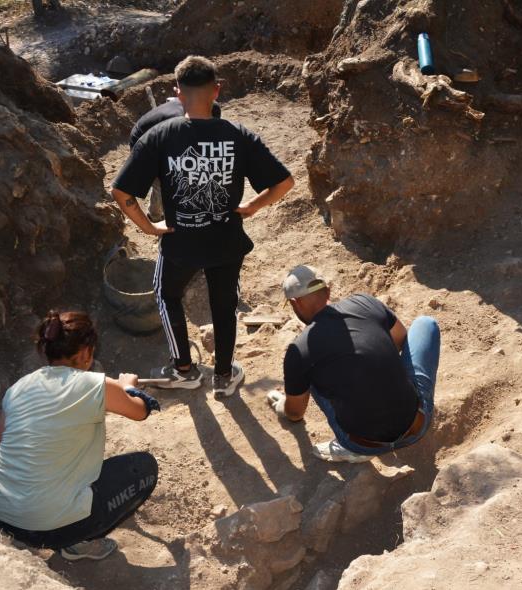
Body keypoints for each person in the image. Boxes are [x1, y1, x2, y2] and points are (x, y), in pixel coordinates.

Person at [112, 55, 294, 397]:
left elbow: (121, 191)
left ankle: (184, 370)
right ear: (217, 91)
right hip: (227, 240)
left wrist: (149, 229)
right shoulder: (238, 135)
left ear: (177, 93)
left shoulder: (160, 135)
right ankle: (224, 376)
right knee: (224, 305)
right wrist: (251, 207)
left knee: (167, 296)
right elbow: (284, 182)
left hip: (180, 243)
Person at [0, 311, 162, 561]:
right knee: (144, 468)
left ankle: (53, 529)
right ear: (86, 352)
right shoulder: (94, 384)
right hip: (45, 528)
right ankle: (77, 543)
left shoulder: (19, 387)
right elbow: (140, 411)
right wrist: (128, 386)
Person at [267, 266, 440, 463]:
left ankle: (353, 449)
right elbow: (400, 340)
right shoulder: (365, 302)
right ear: (328, 291)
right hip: (417, 425)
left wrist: (285, 407)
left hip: (362, 443)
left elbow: (296, 414)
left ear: (295, 303)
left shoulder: (299, 349)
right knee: (426, 324)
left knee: (310, 373)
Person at [128, 97, 223, 222]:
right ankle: (156, 217)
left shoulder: (190, 102)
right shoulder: (181, 122)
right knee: (164, 180)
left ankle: (155, 212)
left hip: (157, 136)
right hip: (141, 141)